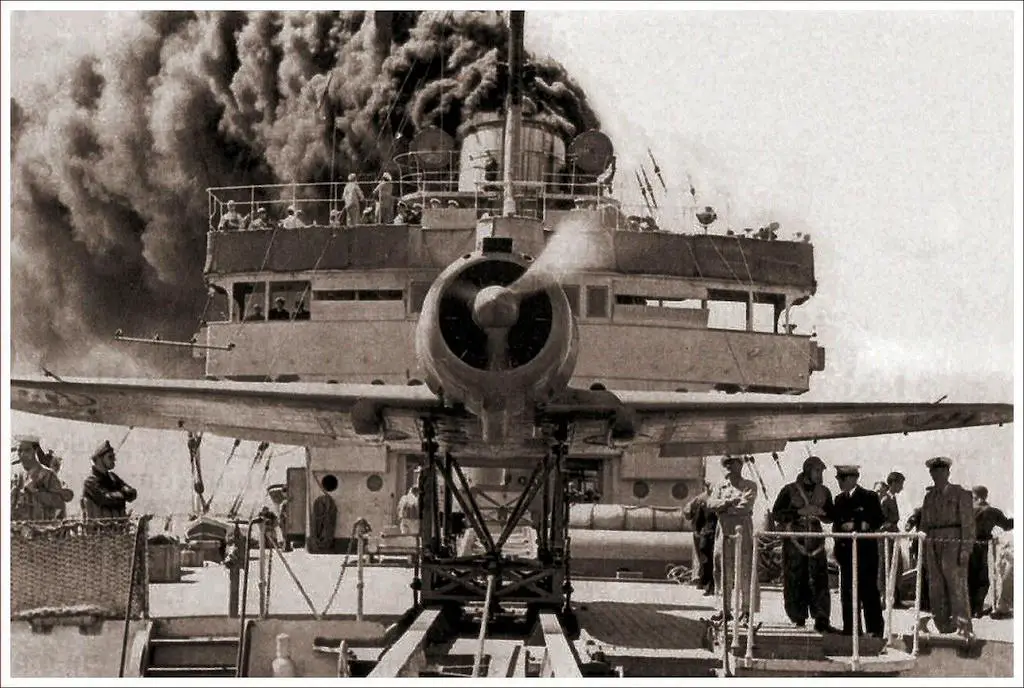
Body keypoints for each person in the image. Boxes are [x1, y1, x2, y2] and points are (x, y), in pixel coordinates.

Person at [771, 455, 837, 633]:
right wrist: (799, 512)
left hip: (816, 540)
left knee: (819, 579)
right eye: (817, 470)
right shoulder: (789, 490)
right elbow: (776, 514)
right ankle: (797, 617)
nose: (820, 474)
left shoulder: (824, 492)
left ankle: (822, 619)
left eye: (821, 471)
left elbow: (831, 515)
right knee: (795, 578)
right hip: (795, 540)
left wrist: (821, 512)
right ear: (808, 470)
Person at [918, 456, 974, 639]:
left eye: (941, 471)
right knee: (936, 585)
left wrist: (966, 549)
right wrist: (924, 548)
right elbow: (924, 524)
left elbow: (968, 524)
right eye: (933, 472)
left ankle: (963, 627)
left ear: (947, 472)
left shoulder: (960, 493)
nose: (937, 475)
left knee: (956, 583)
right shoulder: (929, 497)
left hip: (953, 539)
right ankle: (942, 626)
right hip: (932, 540)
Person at [832, 465, 885, 637]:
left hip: (866, 554)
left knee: (868, 591)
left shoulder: (869, 497)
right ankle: (851, 630)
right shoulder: (839, 500)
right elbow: (836, 527)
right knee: (848, 593)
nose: (838, 482)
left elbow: (878, 519)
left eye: (841, 479)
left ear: (852, 479)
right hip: (846, 554)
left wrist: (857, 526)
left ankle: (874, 631)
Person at [707, 456, 758, 623]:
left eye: (732, 462)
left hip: (743, 531)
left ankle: (746, 611)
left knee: (744, 571)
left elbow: (745, 507)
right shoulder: (719, 486)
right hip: (723, 533)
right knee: (722, 570)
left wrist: (723, 509)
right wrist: (729, 502)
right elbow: (711, 505)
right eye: (725, 463)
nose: (728, 466)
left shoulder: (749, 486)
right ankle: (724, 609)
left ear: (740, 465)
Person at [968, 485, 1013, 618]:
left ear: (974, 496)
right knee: (982, 580)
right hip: (982, 548)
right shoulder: (993, 512)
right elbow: (1007, 525)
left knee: (968, 578)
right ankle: (977, 609)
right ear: (985, 496)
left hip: (963, 546)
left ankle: (969, 610)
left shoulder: (966, 510)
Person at [10, 436, 74, 521]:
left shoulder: (48, 475)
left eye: (27, 450)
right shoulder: (18, 476)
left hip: (41, 528)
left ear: (35, 451)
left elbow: (59, 503)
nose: (22, 454)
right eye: (20, 451)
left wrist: (36, 493)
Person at [82, 440, 138, 519]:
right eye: (110, 457)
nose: (114, 460)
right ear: (99, 459)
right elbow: (105, 499)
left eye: (113, 457)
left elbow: (132, 493)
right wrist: (122, 494)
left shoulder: (113, 478)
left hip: (119, 528)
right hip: (99, 529)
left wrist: (120, 494)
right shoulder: (90, 481)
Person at [684, 481, 716, 594]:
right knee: (707, 558)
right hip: (706, 532)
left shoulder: (700, 499)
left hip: (703, 532)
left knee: (704, 558)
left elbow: (687, 512)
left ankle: (703, 581)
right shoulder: (703, 499)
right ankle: (706, 582)